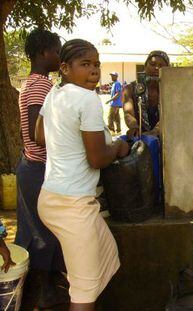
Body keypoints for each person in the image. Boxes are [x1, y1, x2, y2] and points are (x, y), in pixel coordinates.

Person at [35, 39, 129, 310]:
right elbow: (97, 158)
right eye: (85, 64)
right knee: (84, 289)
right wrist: (118, 146)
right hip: (73, 205)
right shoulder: (87, 99)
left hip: (50, 198)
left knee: (107, 254)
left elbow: (39, 136)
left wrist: (66, 138)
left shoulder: (55, 93)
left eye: (97, 64)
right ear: (64, 68)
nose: (94, 71)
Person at [15, 28, 67, 308]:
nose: (59, 57)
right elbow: (40, 132)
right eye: (57, 51)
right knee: (43, 229)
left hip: (30, 165)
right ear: (42, 53)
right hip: (38, 167)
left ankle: (41, 285)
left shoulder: (34, 82)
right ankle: (45, 290)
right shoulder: (40, 86)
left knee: (36, 226)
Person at [123, 50, 170, 137]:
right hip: (139, 136)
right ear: (145, 66)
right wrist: (134, 127)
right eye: (152, 64)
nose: (156, 68)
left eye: (161, 66)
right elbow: (128, 113)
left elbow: (170, 116)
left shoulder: (171, 91)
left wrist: (155, 131)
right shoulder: (130, 89)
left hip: (167, 137)